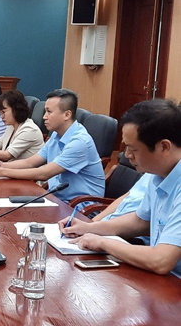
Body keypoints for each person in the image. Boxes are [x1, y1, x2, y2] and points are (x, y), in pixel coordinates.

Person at [59, 99, 181, 276]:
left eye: (133, 149)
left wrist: (103, 242)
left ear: (164, 147)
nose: (127, 155)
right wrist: (89, 227)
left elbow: (160, 260)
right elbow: (140, 222)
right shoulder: (157, 174)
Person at [0, 88, 104, 204]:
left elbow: (44, 173)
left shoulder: (79, 142)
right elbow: (30, 163)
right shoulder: (56, 135)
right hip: (57, 199)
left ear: (67, 114)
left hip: (79, 206)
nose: (44, 117)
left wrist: (2, 171)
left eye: (49, 112)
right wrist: (1, 165)